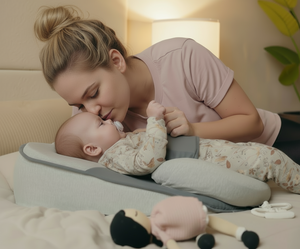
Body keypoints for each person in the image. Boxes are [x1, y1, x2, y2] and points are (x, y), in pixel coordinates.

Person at [34, 5, 300, 164]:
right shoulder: (91, 121)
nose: (90, 110)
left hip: (276, 142)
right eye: (78, 104)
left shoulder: (182, 57)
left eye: (93, 93)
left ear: (116, 61)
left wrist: (191, 131)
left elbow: (251, 122)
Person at [55, 100, 300, 194]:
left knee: (262, 157)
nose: (108, 120)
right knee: (267, 158)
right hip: (204, 158)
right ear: (91, 150)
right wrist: (154, 120)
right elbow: (148, 161)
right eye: (101, 123)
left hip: (204, 150)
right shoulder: (115, 156)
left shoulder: (121, 144)